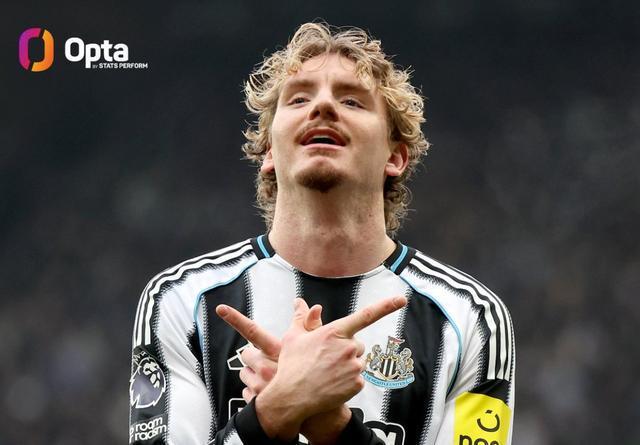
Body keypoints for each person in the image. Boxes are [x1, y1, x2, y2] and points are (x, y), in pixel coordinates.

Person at [128, 22, 515, 445]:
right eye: (299, 98)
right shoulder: (182, 301)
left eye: (352, 100)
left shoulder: (470, 318)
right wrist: (277, 410)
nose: (324, 105)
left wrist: (331, 426)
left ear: (395, 157)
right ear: (269, 152)